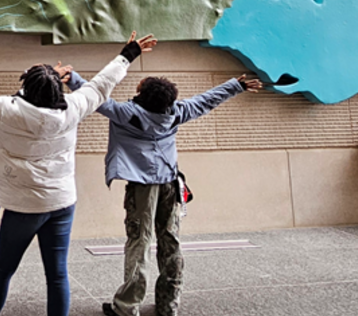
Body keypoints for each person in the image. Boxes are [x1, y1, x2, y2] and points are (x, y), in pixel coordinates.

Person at [0, 32, 159, 316]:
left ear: (28, 89)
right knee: (57, 275)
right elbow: (101, 85)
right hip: (61, 205)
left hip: (23, 209)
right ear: (57, 91)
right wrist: (128, 54)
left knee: (1, 273)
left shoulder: (2, 111)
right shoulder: (72, 108)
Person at [63, 72, 263, 316]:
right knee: (170, 241)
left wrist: (72, 78)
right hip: (170, 184)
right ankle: (168, 305)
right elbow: (207, 99)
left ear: (142, 94)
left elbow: (96, 97)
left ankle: (127, 306)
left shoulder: (127, 114)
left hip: (142, 187)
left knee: (140, 241)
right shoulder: (177, 112)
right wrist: (236, 85)